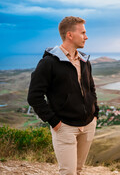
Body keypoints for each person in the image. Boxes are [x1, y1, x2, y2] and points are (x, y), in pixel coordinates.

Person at [28, 16, 99, 175]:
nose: (86, 37)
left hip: (88, 126)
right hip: (65, 127)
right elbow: (34, 96)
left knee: (78, 170)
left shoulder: (84, 60)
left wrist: (95, 113)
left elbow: (91, 88)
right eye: (83, 33)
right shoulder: (48, 63)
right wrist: (54, 121)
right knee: (68, 172)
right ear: (70, 35)